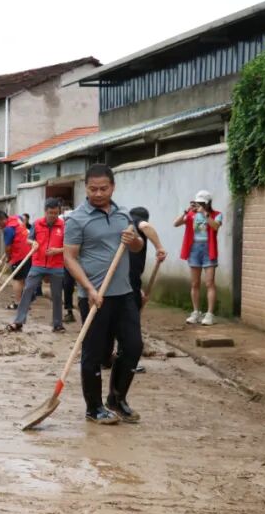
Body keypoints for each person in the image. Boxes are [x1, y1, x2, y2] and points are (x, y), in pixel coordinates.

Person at [64, 164, 145, 425]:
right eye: (93, 189)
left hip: (124, 294)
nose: (98, 194)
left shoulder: (123, 215)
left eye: (103, 188)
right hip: (94, 296)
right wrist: (88, 288)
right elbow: (69, 258)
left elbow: (137, 247)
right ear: (85, 188)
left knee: (133, 346)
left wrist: (134, 240)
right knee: (95, 352)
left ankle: (117, 400)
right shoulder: (77, 219)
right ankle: (94, 407)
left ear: (113, 187)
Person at [117, 206, 167, 373]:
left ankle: (110, 357)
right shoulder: (138, 223)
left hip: (121, 278)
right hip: (130, 279)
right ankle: (127, 359)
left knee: (117, 318)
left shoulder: (123, 226)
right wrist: (159, 247)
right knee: (130, 321)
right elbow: (146, 226)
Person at [8, 198, 66, 332]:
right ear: (45, 211)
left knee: (57, 295)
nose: (53, 216)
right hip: (38, 264)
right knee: (28, 290)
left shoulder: (64, 226)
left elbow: (69, 246)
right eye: (50, 213)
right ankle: (18, 321)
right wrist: (32, 243)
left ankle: (57, 324)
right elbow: (29, 239)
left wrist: (58, 250)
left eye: (55, 213)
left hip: (56, 265)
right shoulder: (37, 224)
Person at [174, 190, 223, 326]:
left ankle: (210, 314)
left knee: (209, 282)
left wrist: (205, 214)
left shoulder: (216, 214)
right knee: (195, 283)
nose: (199, 205)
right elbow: (176, 223)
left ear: (208, 203)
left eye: (202, 203)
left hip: (208, 249)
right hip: (194, 249)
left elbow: (215, 226)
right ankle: (196, 312)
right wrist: (186, 211)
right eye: (197, 203)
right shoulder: (191, 215)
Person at [0, 209, 32, 310]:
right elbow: (23, 218)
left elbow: (8, 248)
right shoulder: (16, 218)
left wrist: (9, 258)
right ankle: (25, 303)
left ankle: (18, 303)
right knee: (23, 278)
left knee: (17, 279)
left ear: (3, 219)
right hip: (28, 252)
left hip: (19, 255)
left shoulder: (8, 229)